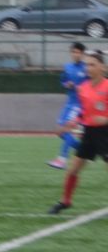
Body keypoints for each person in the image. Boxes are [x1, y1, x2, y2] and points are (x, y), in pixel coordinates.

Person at [50, 49, 108, 214]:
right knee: (73, 169)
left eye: (92, 65)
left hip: (106, 133)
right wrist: (69, 125)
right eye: (87, 65)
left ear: (102, 67)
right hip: (89, 133)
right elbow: (83, 112)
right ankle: (65, 201)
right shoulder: (83, 88)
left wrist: (105, 119)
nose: (88, 68)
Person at [50, 42, 88, 170]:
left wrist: (79, 88)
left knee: (65, 130)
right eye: (74, 52)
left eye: (78, 52)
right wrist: (67, 84)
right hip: (69, 103)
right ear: (71, 53)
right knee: (59, 132)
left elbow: (92, 85)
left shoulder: (87, 68)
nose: (76, 54)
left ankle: (62, 159)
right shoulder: (67, 67)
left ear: (82, 54)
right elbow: (63, 80)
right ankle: (85, 152)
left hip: (80, 105)